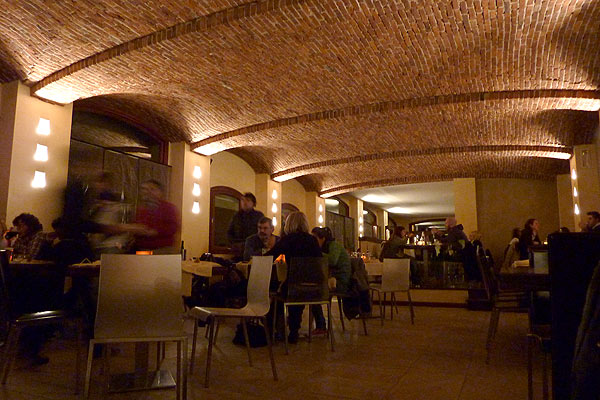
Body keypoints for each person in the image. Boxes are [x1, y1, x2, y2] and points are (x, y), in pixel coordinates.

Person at [266, 211, 322, 344]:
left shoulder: (288, 240)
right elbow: (320, 262)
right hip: (315, 288)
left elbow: (269, 257)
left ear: (289, 224)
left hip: (293, 288)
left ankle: (272, 330)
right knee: (297, 289)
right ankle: (293, 331)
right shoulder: (313, 240)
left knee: (279, 293)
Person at [310, 227, 352, 334]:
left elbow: (333, 261)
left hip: (341, 282)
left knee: (312, 293)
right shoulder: (326, 247)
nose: (313, 242)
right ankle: (320, 325)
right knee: (312, 291)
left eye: (315, 239)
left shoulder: (334, 245)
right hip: (334, 280)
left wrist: (317, 253)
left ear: (323, 238)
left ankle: (321, 326)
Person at [132, 180, 180, 254]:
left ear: (160, 192)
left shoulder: (168, 207)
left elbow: (173, 227)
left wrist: (154, 231)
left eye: (152, 189)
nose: (148, 192)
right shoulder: (141, 208)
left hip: (162, 250)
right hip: (143, 249)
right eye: (145, 189)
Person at [227, 192, 264, 260]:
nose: (244, 202)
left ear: (253, 203)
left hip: (254, 249)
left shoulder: (258, 216)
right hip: (239, 250)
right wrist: (234, 244)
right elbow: (229, 232)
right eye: (242, 200)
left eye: (248, 200)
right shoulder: (236, 216)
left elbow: (263, 232)